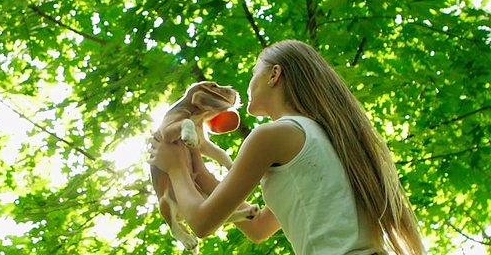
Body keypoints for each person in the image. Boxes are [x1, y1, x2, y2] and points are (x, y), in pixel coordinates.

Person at [148, 39, 424, 255]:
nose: (249, 82)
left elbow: (202, 222)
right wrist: (194, 164)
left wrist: (174, 168)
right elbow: (258, 227)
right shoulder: (321, 138)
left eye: (255, 72)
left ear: (274, 75)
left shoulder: (273, 135)